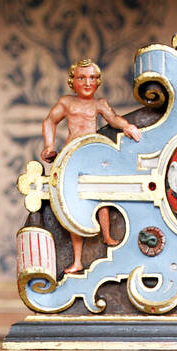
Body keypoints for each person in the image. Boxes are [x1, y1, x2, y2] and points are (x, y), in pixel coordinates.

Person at [41, 59, 142, 273]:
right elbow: (49, 121)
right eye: (81, 78)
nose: (87, 83)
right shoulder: (67, 103)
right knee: (73, 205)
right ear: (73, 81)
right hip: (72, 156)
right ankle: (77, 260)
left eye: (92, 78)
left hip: (93, 154)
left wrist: (128, 127)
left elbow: (114, 119)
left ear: (98, 81)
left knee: (100, 193)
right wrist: (49, 146)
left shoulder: (99, 104)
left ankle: (106, 235)